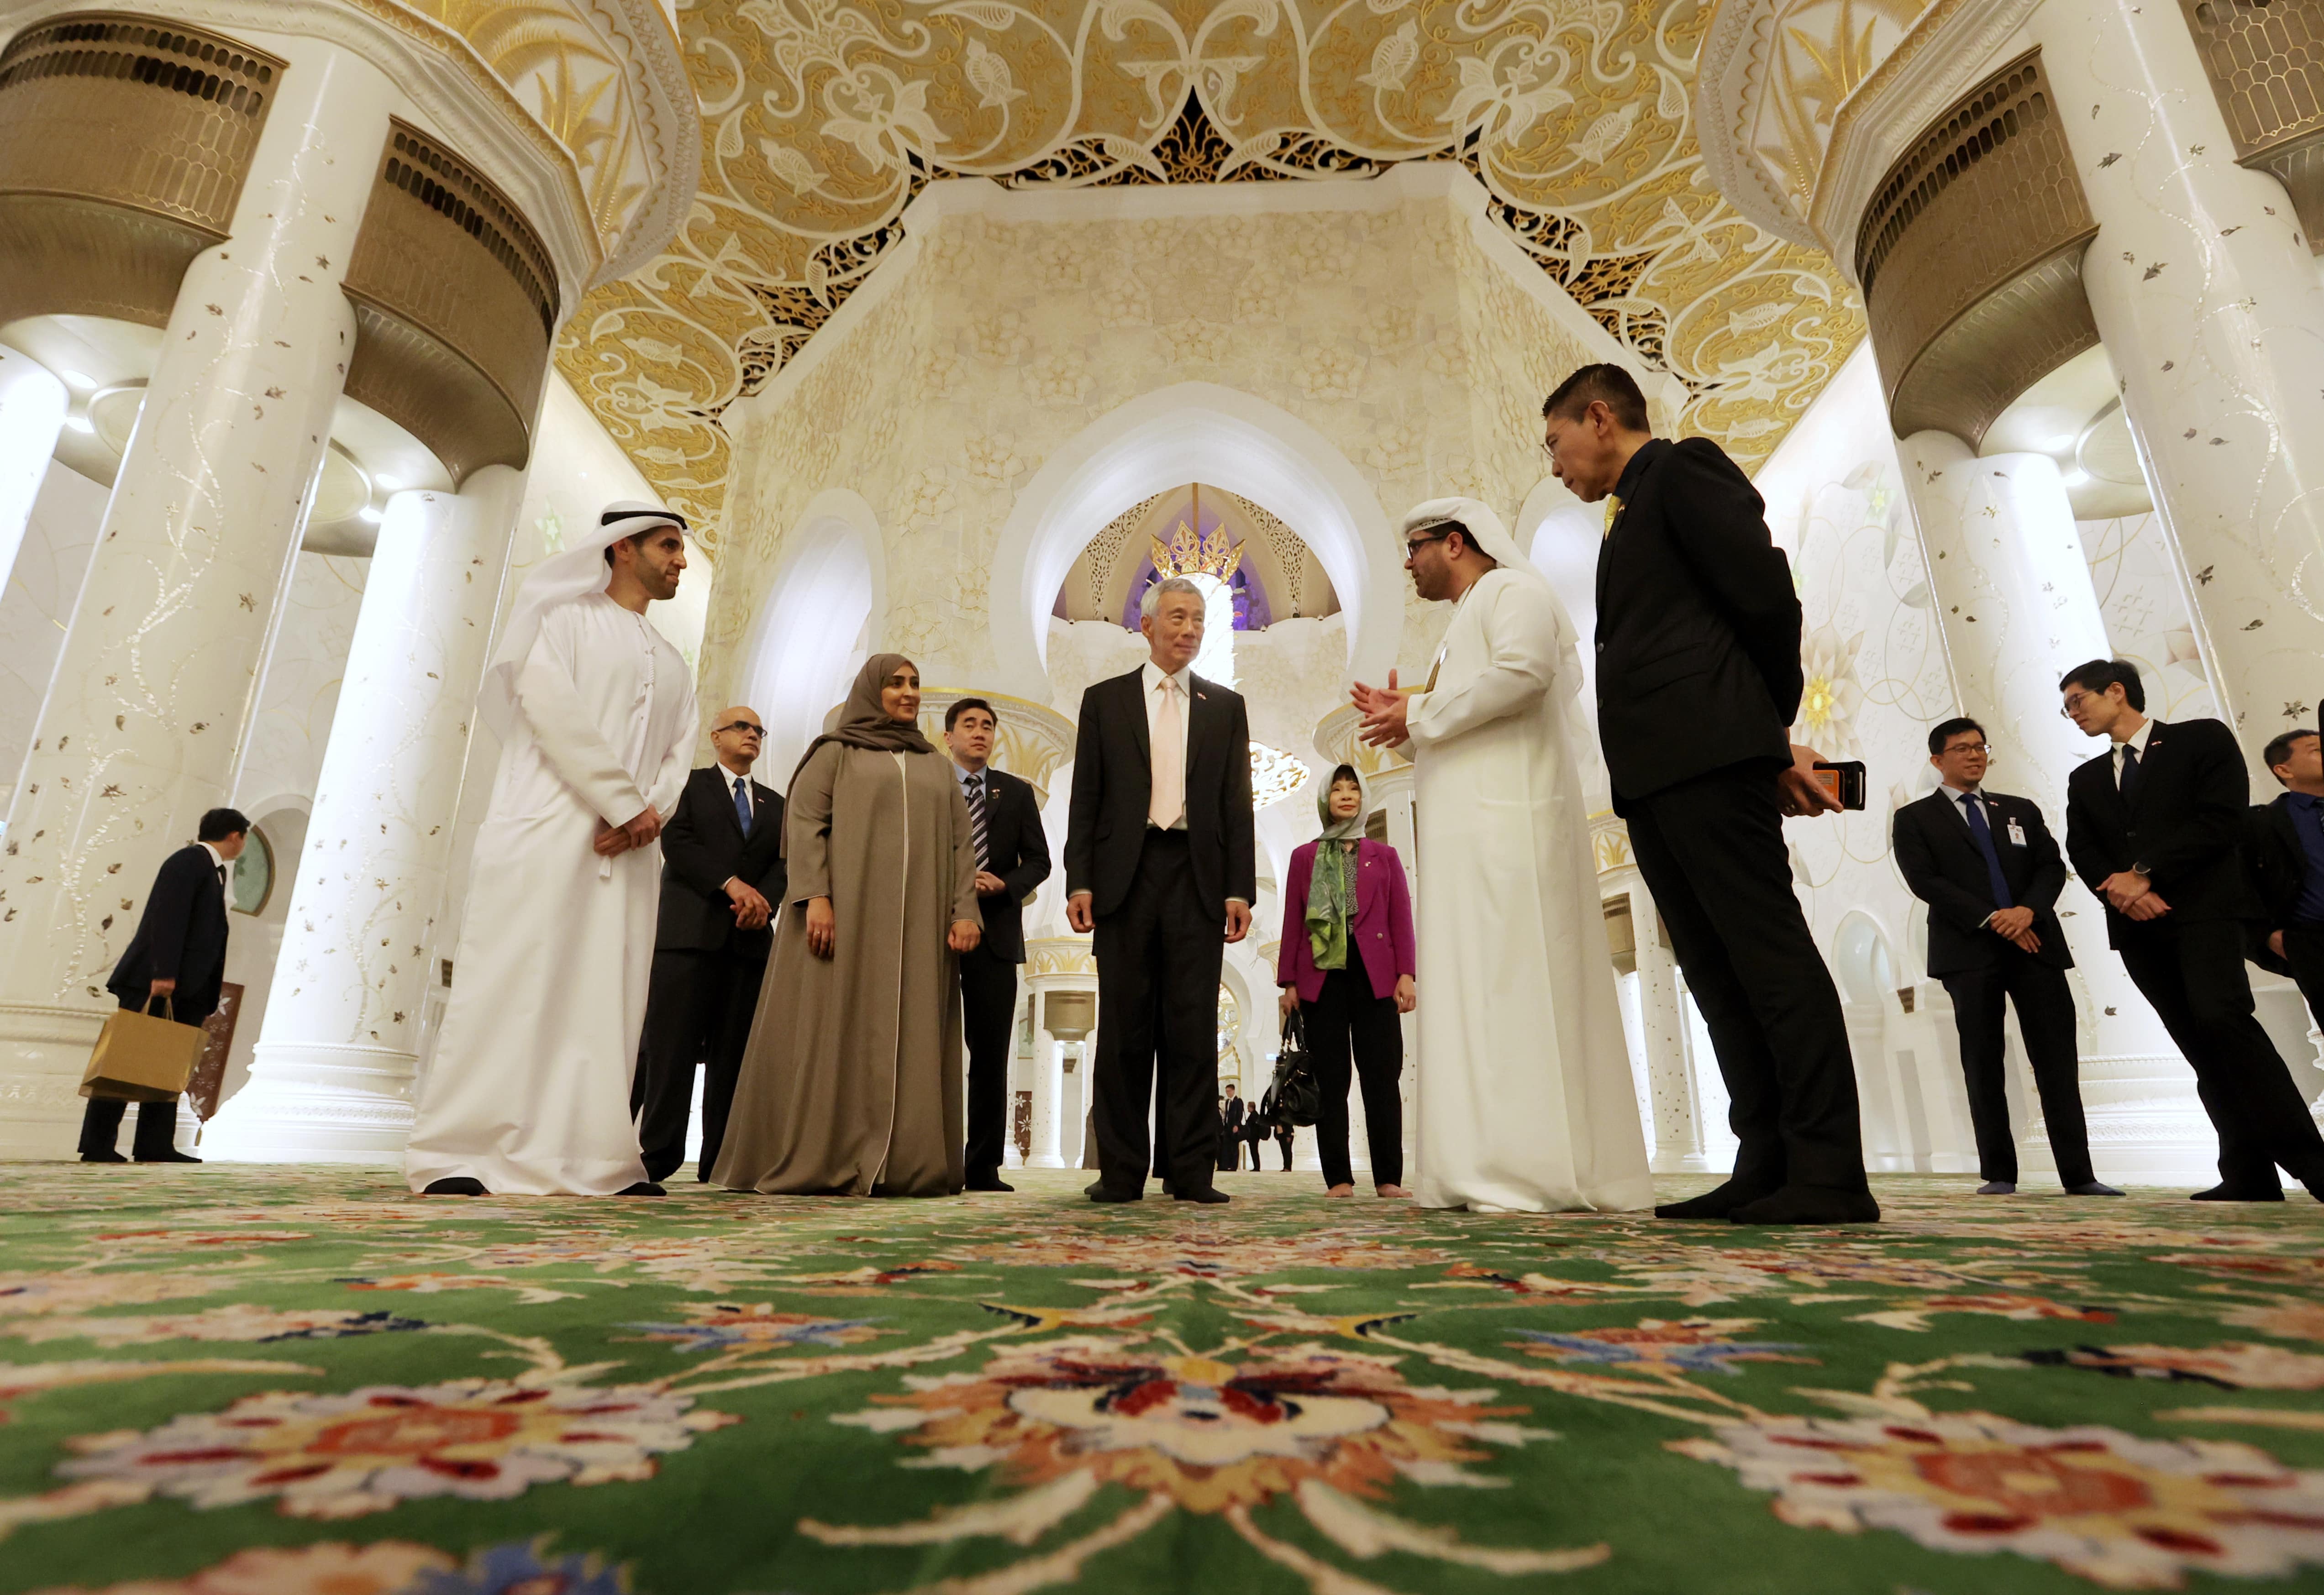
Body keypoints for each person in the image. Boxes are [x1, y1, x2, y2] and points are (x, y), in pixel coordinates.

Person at [1539, 362, 1873, 1226]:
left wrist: (1765, 737)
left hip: (1712, 758)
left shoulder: (1684, 470)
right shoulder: (1621, 520)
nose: (1555, 463)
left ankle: (1830, 1170)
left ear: (1601, 416)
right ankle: (1764, 1160)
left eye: (1556, 441)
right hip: (1656, 777)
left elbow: (1767, 598)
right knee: (1719, 977)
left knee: (1769, 957)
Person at [1353, 499, 1651, 1213]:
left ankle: (1531, 1169)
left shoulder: (1513, 592)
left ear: (1454, 542)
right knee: (1481, 991)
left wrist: (1418, 713)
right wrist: (1403, 725)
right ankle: (1482, 1163)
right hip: (1473, 840)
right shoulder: (1466, 619)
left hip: (1509, 832)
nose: (1407, 564)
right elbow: (1462, 716)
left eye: (1414, 547)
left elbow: (1521, 673)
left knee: (1515, 987)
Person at [405, 502, 696, 1197]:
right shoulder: (558, 622)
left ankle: (596, 1158)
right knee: (515, 981)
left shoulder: (671, 659)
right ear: (622, 549)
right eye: (667, 546)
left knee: (608, 996)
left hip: (627, 854)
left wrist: (650, 815)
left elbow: (680, 751)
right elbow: (551, 712)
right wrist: (627, 806)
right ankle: (460, 1151)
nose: (680, 561)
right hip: (546, 827)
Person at [715, 655, 982, 1197]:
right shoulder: (835, 753)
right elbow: (806, 823)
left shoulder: (933, 763)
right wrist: (815, 897)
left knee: (910, 1027)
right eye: (895, 684)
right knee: (832, 1028)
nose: (908, 693)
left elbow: (960, 844)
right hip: (842, 919)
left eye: (914, 684)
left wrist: (964, 909)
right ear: (869, 690)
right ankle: (828, 1152)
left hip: (919, 929)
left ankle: (904, 1162)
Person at [2061, 660, 2324, 1201]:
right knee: (2198, 1046)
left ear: (2116, 691)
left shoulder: (2199, 737)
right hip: (2137, 926)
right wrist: (2122, 891)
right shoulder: (2083, 777)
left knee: (2222, 1022)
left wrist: (2145, 871)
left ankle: (2311, 1160)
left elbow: (2220, 818)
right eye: (2066, 708)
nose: (2072, 713)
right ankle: (2248, 1174)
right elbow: (2082, 847)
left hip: (2206, 910)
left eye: (2077, 700)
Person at [1065, 575, 1257, 1205]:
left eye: (1199, 619)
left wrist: (1239, 889)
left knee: (1192, 1026)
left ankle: (1189, 1170)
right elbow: (1086, 798)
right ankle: (1120, 1170)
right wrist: (1080, 878)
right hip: (1126, 874)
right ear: (1147, 625)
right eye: (1178, 617)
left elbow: (1237, 806)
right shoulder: (1105, 700)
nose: (1190, 629)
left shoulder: (1225, 707)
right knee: (1123, 1027)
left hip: (1197, 877)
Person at [1892, 719, 2117, 1196]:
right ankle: (1998, 1172)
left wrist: (2026, 912)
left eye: (1979, 747)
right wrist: (1992, 918)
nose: (1974, 755)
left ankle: (2078, 1174)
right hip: (1967, 950)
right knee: (1982, 1059)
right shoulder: (1914, 818)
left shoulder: (2018, 810)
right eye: (1960, 749)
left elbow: (2049, 865)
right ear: (1937, 760)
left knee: (2056, 1059)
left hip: (2034, 943)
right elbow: (1925, 880)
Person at [630, 707, 787, 1184]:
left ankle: (721, 1161)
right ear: (716, 736)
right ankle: (657, 1154)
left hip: (747, 943)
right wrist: (731, 884)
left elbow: (785, 861)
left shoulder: (775, 802)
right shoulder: (688, 785)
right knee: (670, 1049)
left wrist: (763, 901)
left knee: (734, 1057)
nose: (752, 735)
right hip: (687, 938)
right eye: (742, 727)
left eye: (759, 730)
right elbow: (677, 843)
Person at [1276, 765, 1417, 1199]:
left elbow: (1400, 918)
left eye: (1353, 789)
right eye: (1337, 789)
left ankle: (1388, 1178)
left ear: (1362, 799)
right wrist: (1289, 983)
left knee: (1382, 1077)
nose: (1345, 795)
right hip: (1322, 976)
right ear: (1325, 800)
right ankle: (1338, 1178)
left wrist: (1406, 973)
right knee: (1332, 1079)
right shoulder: (1304, 857)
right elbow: (1294, 922)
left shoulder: (1385, 855)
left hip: (1375, 975)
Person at [80, 808, 247, 1164]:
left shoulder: (210, 869)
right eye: (244, 838)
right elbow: (167, 917)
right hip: (160, 983)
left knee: (168, 1064)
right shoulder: (190, 861)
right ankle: (97, 1144)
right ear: (235, 836)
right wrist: (163, 972)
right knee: (123, 1060)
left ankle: (155, 1145)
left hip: (185, 988)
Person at [942, 697, 1053, 1192]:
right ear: (948, 736)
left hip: (996, 936)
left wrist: (1003, 884)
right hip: (934, 930)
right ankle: (921, 1153)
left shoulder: (1015, 792)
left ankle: (982, 1165)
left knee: (990, 1055)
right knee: (923, 1045)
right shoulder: (930, 786)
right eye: (969, 724)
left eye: (988, 725)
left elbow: (1039, 860)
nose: (980, 732)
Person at [2246, 729, 2324, 1037]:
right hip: (2314, 944)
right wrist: (2266, 937)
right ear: (2284, 770)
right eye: (2316, 749)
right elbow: (2242, 889)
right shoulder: (2261, 824)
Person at [1217, 1082, 1246, 1172]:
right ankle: (1226, 1165)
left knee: (1234, 1146)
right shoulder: (1228, 1102)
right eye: (1226, 1091)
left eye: (1229, 1091)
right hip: (1227, 1127)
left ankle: (1234, 1166)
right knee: (1226, 1146)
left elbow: (1239, 1114)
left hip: (1234, 1126)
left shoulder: (1238, 1101)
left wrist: (1237, 1125)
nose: (1228, 1093)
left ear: (1233, 1091)